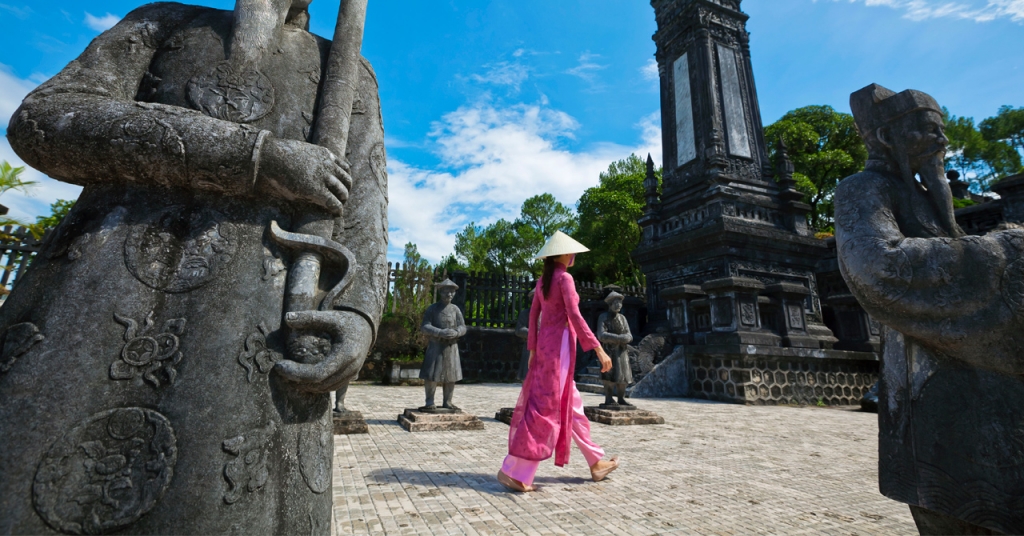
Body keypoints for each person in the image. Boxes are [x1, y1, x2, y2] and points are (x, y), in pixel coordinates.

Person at [1, 0, 386, 532]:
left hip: (266, 343)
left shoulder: (348, 73)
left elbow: (365, 211)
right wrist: (255, 157)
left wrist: (356, 314)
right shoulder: (162, 23)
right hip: (91, 308)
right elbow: (44, 120)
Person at [835, 84, 1024, 534]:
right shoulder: (863, 189)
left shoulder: (924, 197)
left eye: (941, 131)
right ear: (885, 138)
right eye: (927, 129)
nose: (941, 141)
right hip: (931, 396)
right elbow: (878, 266)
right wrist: (1004, 249)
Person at [498, 231, 620, 492]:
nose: (574, 254)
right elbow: (574, 316)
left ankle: (596, 461)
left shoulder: (544, 280)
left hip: (545, 348)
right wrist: (598, 349)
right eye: (571, 250)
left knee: (571, 405)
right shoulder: (564, 278)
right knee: (546, 408)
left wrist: (533, 349)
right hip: (559, 350)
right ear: (564, 253)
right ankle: (518, 471)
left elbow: (534, 316)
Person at [419, 278, 467, 410]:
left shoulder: (455, 309)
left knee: (451, 375)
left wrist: (456, 332)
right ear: (441, 292)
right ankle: (429, 402)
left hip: (451, 346)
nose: (449, 295)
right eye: (447, 292)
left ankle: (448, 401)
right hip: (436, 346)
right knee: (431, 375)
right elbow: (425, 326)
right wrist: (440, 332)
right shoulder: (433, 309)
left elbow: (463, 327)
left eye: (452, 292)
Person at [597, 291, 633, 406]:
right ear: (610, 304)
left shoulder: (622, 318)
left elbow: (629, 335)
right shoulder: (603, 317)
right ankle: (608, 398)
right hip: (609, 350)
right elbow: (601, 335)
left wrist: (623, 338)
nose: (618, 305)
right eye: (615, 303)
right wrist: (619, 338)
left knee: (624, 375)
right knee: (609, 375)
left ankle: (621, 398)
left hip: (622, 351)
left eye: (620, 303)